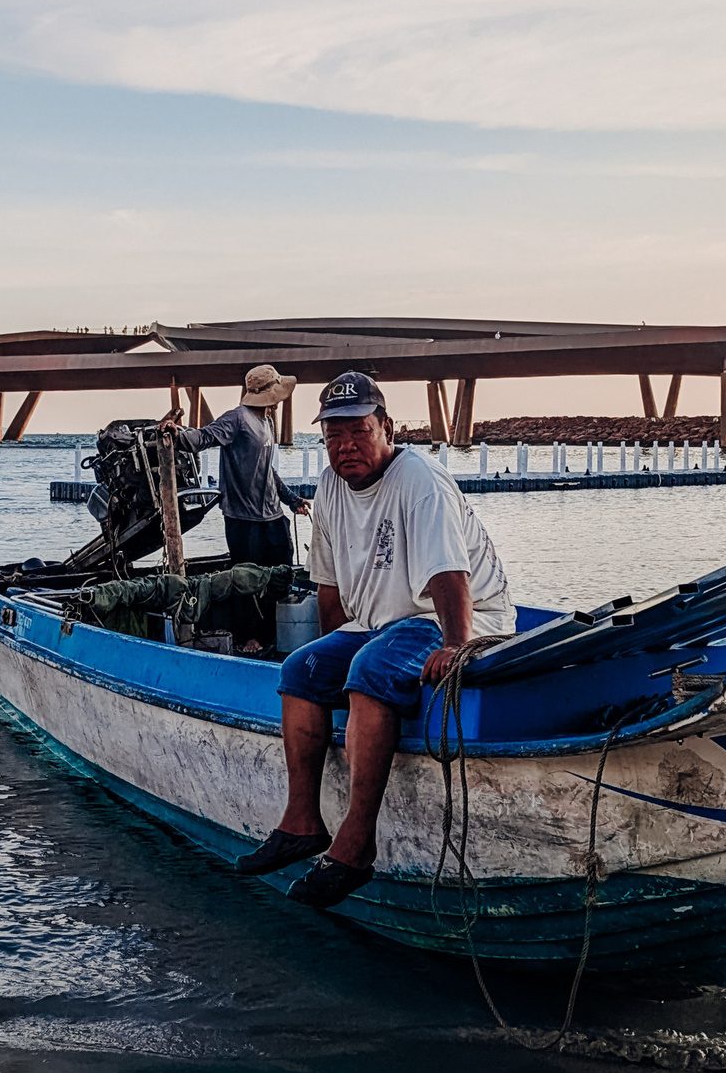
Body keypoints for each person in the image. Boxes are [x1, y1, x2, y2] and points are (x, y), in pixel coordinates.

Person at [234, 371, 515, 908]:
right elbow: (330, 592)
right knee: (300, 671)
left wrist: (457, 646)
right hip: (382, 622)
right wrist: (328, 660)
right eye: (333, 436)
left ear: (386, 427)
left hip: (448, 615)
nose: (346, 447)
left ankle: (357, 845)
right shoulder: (330, 485)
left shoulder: (419, 479)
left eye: (359, 431)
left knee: (373, 670)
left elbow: (449, 578)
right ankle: (302, 821)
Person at [165, 363, 306, 570]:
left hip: (273, 516)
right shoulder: (237, 418)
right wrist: (178, 433)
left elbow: (266, 470)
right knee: (247, 582)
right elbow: (204, 436)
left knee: (282, 574)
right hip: (244, 521)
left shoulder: (268, 421)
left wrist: (292, 500)